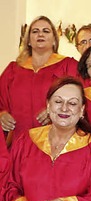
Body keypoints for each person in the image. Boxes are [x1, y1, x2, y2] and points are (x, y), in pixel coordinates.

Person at [0, 16, 78, 145]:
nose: (40, 34)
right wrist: (2, 115)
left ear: (54, 40)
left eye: (46, 31)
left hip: (55, 141)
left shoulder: (68, 66)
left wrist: (57, 110)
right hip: (17, 141)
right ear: (29, 41)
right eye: (35, 31)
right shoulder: (13, 70)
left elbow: (83, 98)